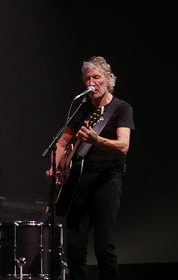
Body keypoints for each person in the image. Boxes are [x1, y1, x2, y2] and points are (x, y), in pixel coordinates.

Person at [46, 56, 135, 280]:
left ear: (108, 80)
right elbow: (62, 142)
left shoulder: (121, 108)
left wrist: (96, 140)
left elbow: (124, 145)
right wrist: (56, 166)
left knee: (104, 247)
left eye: (97, 77)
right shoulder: (82, 109)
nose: (91, 82)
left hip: (107, 180)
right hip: (78, 183)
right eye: (87, 79)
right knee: (75, 250)